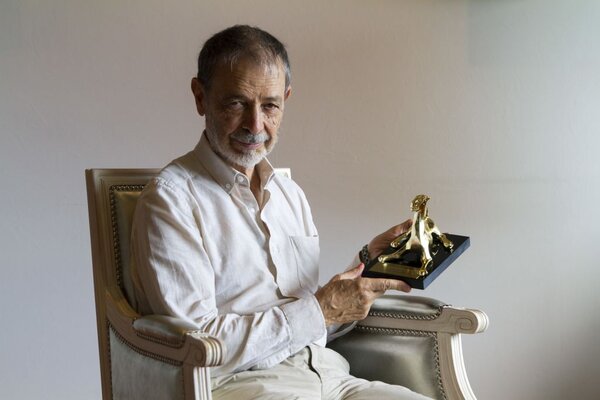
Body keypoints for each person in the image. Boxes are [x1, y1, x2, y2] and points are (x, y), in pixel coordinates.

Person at [131, 25, 432, 400]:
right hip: (244, 387)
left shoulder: (290, 194)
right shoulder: (170, 200)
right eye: (236, 103)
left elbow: (313, 319)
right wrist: (320, 310)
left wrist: (366, 265)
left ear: (286, 99)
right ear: (200, 97)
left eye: (270, 105)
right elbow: (198, 346)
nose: (256, 126)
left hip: (332, 377)